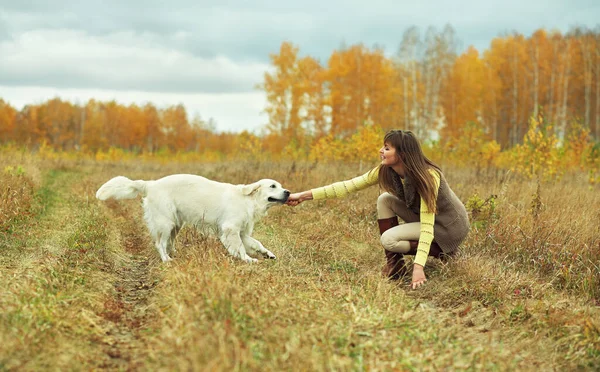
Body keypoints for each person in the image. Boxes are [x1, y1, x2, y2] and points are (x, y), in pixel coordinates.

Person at [286, 129, 469, 289]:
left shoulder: (428, 177)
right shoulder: (386, 170)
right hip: (427, 220)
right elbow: (346, 186)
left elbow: (428, 226)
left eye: (387, 148)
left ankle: (443, 252)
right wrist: (302, 196)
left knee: (388, 240)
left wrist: (418, 267)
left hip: (449, 227)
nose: (381, 151)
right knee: (385, 200)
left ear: (403, 154)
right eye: (383, 146)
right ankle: (395, 264)